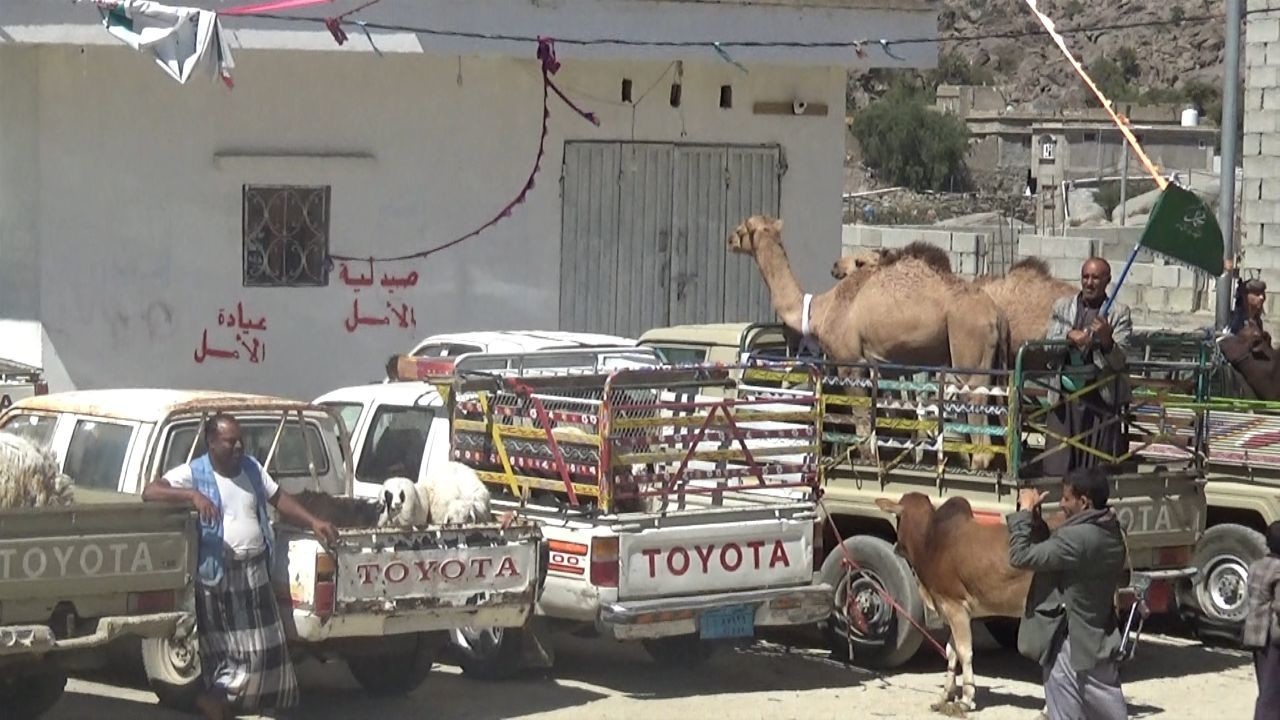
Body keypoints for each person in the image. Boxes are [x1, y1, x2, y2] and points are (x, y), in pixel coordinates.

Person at [142, 413, 339, 720]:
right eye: (230, 441)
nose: (238, 446)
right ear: (211, 443)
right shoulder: (195, 472)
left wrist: (313, 522)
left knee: (266, 649)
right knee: (228, 654)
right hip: (219, 576)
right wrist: (192, 495)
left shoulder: (251, 467)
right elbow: (150, 492)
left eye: (240, 440)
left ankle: (234, 704)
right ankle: (215, 702)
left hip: (255, 571)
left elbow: (279, 498)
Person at [1008, 466, 1128, 720]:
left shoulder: (1077, 539)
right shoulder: (1111, 529)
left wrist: (1024, 512)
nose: (1061, 504)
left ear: (1084, 502)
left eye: (1066, 498)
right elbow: (1058, 552)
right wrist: (1037, 521)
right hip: (1098, 642)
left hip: (1070, 649)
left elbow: (1021, 556)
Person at [1043, 257, 1133, 476]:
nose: (1089, 283)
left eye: (1095, 278)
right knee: (1057, 467)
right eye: (1086, 277)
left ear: (1107, 281)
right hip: (1064, 400)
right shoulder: (1062, 307)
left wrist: (1106, 340)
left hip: (1099, 400)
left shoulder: (1118, 313)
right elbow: (1047, 344)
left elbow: (1121, 362)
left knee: (1095, 472)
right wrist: (1067, 335)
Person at [1243, 521, 1280, 720]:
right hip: (1273, 637)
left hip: (1254, 634)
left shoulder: (1256, 565)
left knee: (1265, 686)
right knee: (1273, 693)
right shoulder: (1278, 569)